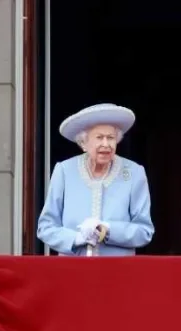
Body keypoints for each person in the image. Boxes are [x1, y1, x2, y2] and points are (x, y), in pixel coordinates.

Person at [37, 103, 155, 256]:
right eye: (99, 137)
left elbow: (144, 231)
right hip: (71, 271)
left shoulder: (134, 173)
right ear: (84, 143)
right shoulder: (64, 171)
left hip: (118, 271)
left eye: (111, 138)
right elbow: (45, 228)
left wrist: (108, 229)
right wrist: (76, 238)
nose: (106, 144)